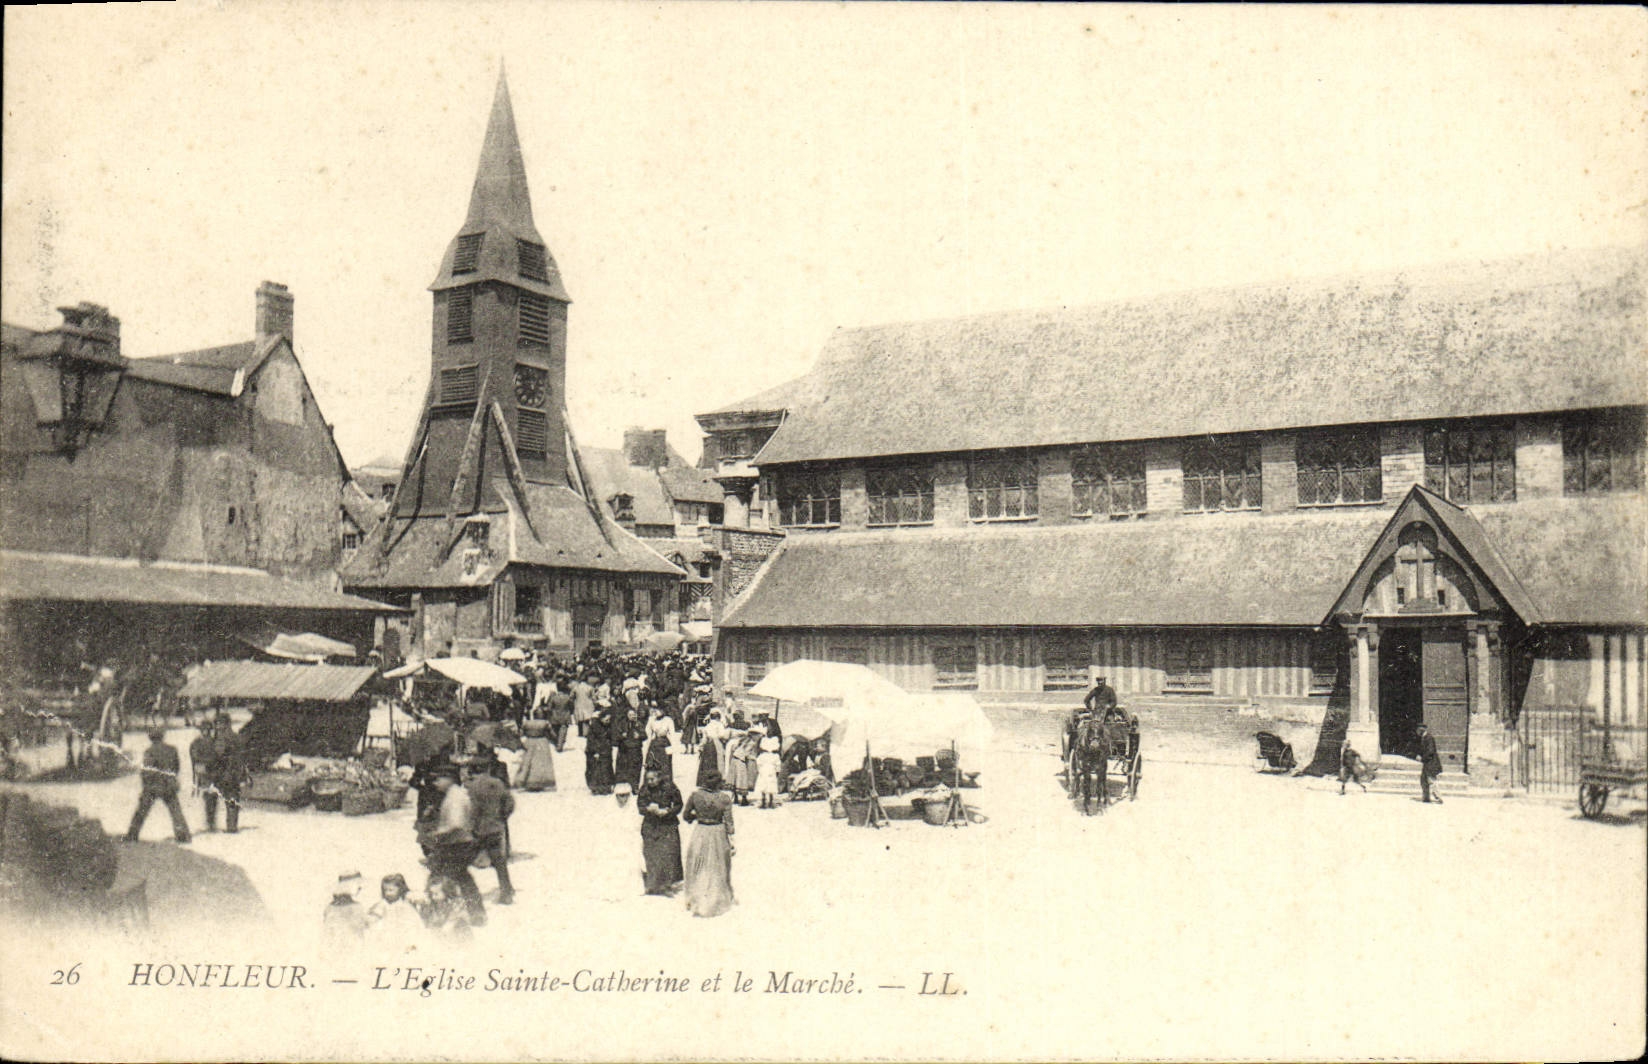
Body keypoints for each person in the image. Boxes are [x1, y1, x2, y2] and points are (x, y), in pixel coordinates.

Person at [426, 765, 486, 925]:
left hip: (457, 844)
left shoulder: (455, 798)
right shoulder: (455, 794)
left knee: (439, 878)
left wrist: (436, 834)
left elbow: (456, 824)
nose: (436, 782)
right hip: (461, 842)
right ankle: (476, 914)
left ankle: (438, 914)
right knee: (463, 879)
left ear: (450, 778)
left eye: (439, 778)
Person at [682, 769, 736, 917]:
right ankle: (715, 899)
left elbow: (686, 816)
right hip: (718, 832)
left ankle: (697, 899)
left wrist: (696, 815)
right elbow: (729, 823)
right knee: (717, 865)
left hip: (701, 831)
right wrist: (731, 840)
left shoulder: (695, 796)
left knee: (698, 864)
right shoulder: (724, 798)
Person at [465, 752, 516, 905]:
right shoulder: (498, 783)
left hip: (479, 830)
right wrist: (502, 817)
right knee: (499, 862)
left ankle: (463, 891)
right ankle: (506, 891)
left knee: (463, 861)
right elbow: (510, 803)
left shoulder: (472, 787)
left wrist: (470, 827)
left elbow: (473, 810)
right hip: (495, 828)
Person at [125, 728, 191, 843]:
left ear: (151, 738)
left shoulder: (149, 751)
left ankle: (132, 834)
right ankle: (182, 835)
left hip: (153, 786)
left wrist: (145, 785)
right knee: (175, 811)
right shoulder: (172, 750)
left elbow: (147, 771)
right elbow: (177, 767)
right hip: (169, 785)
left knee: (142, 810)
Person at [637, 765, 684, 896]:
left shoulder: (670, 787)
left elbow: (679, 804)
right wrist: (648, 809)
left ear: (659, 777)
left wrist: (668, 811)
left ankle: (667, 885)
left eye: (652, 779)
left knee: (668, 855)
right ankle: (652, 885)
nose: (650, 782)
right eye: (648, 779)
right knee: (651, 854)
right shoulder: (644, 789)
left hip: (667, 825)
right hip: (650, 825)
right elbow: (640, 806)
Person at [204, 712, 249, 833]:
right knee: (232, 800)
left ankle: (211, 825)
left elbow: (217, 755)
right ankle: (231, 826)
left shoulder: (221, 738)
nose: (217, 726)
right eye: (216, 724)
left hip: (222, 774)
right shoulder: (236, 737)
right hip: (233, 774)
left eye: (219, 723)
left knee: (212, 798)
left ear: (225, 724)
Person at [367, 873, 426, 948]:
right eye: (385, 890)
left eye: (391, 890)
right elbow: (373, 918)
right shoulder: (382, 905)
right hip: (386, 940)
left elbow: (415, 924)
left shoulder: (406, 906)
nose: (387, 893)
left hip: (401, 939)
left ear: (400, 890)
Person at [322, 871, 371, 951]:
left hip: (334, 946)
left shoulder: (330, 907)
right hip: (352, 945)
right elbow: (363, 926)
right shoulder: (356, 907)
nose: (360, 888)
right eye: (358, 885)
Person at [419, 877, 473, 942]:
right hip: (444, 931)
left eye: (436, 894)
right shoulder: (434, 904)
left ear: (446, 892)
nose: (433, 897)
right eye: (431, 894)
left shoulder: (455, 903)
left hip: (457, 930)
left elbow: (458, 916)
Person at [517, 718, 558, 792]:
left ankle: (525, 781)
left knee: (527, 762)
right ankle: (544, 782)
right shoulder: (545, 723)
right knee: (543, 762)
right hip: (542, 742)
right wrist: (555, 741)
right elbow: (552, 734)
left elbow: (520, 733)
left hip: (529, 741)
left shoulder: (526, 723)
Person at [642, 706, 678, 780]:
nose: (656, 712)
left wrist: (666, 734)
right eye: (655, 710)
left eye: (658, 710)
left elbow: (672, 733)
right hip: (654, 743)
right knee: (652, 761)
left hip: (665, 743)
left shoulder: (668, 720)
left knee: (665, 764)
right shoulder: (651, 719)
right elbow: (647, 731)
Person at [585, 710, 616, 796]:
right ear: (601, 718)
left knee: (606, 769)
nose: (608, 721)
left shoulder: (608, 726)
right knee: (596, 770)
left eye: (609, 720)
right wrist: (595, 751)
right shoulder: (594, 726)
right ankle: (595, 788)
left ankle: (606, 787)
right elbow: (591, 740)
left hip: (606, 750)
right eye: (606, 720)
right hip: (595, 752)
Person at [1416, 722, 1444, 804]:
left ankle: (1439, 797)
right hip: (1427, 763)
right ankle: (1426, 798)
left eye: (1418, 730)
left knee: (1431, 780)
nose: (1417, 732)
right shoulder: (1424, 738)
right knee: (1423, 780)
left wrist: (1422, 758)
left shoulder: (1429, 738)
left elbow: (1430, 752)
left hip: (1431, 762)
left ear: (1421, 730)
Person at [755, 734, 781, 809]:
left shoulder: (761, 755)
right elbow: (778, 765)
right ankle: (770, 801)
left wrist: (759, 770)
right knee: (771, 786)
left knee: (763, 785)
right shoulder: (775, 756)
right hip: (771, 771)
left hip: (763, 770)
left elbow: (758, 764)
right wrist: (777, 771)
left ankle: (763, 802)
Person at [547, 681, 575, 751]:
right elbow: (572, 707)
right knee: (563, 731)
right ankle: (560, 744)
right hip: (565, 716)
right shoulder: (568, 698)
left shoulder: (553, 697)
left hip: (555, 716)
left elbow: (549, 708)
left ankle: (557, 742)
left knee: (555, 731)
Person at [572, 674, 596, 739]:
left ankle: (580, 733)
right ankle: (586, 733)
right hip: (588, 704)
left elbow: (571, 696)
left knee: (580, 718)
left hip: (579, 703)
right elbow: (593, 697)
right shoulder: (590, 687)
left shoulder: (576, 687)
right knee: (587, 719)